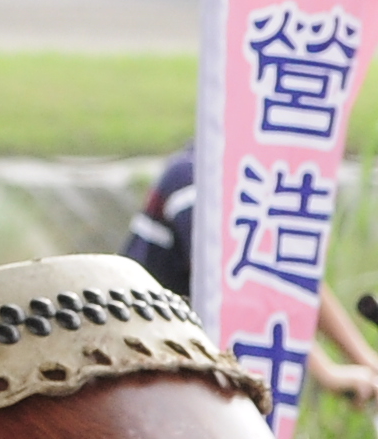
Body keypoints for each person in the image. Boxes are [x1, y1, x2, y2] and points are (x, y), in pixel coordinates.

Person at [125, 145, 378, 398]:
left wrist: (364, 359)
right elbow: (241, 290)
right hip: (142, 358)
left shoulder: (260, 181)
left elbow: (295, 280)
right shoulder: (195, 178)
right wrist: (328, 372)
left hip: (194, 357)